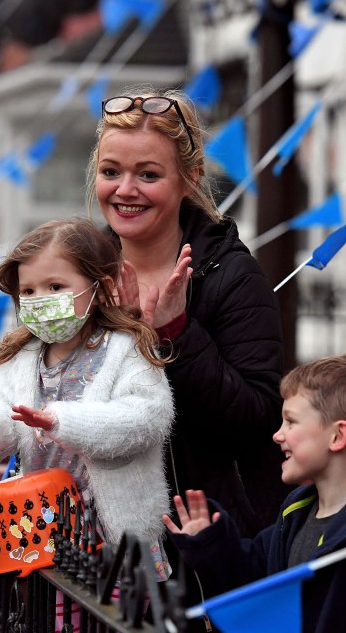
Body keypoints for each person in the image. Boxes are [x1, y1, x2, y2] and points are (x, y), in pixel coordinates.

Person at [88, 88, 291, 540]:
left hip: (206, 540)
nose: (125, 189)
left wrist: (175, 333)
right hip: (99, 540)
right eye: (111, 171)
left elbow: (259, 420)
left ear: (189, 178)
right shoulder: (81, 271)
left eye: (148, 174)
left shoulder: (233, 276)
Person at [0, 218, 174, 575]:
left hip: (111, 536)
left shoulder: (125, 350)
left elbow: (148, 417)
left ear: (101, 288)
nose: (39, 300)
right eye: (28, 292)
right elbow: (5, 409)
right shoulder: (22, 357)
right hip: (45, 531)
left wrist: (63, 421)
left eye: (55, 286)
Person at [163, 354, 346, 633]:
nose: (278, 435)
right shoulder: (296, 513)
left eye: (290, 421)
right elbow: (254, 585)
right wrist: (211, 543)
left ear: (337, 436)